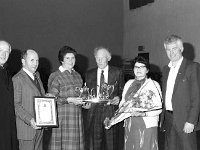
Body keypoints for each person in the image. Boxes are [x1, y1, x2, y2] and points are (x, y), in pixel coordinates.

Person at [160, 35, 200, 150]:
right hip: (168, 119)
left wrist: (191, 121)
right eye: (168, 49)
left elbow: (197, 97)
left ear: (181, 49)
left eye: (174, 49)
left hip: (185, 120)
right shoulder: (165, 69)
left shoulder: (192, 67)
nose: (171, 52)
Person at [116, 56, 162, 150]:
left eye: (142, 67)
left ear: (147, 70)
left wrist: (144, 113)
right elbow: (122, 103)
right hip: (130, 124)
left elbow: (159, 108)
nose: (139, 69)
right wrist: (117, 115)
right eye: (136, 67)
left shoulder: (154, 84)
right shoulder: (128, 83)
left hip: (147, 124)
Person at [84, 46, 124, 150]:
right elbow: (86, 94)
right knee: (95, 145)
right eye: (97, 57)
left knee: (112, 144)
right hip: (94, 112)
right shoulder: (89, 74)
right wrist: (85, 103)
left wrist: (118, 98)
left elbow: (122, 91)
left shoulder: (118, 72)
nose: (99, 60)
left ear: (109, 58)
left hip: (111, 112)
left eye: (102, 57)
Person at [47, 46, 84, 150]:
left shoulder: (78, 76)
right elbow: (51, 100)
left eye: (73, 58)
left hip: (76, 117)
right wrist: (68, 100)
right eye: (67, 58)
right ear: (61, 60)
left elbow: (81, 96)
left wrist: (85, 103)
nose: (71, 61)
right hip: (62, 118)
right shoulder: (55, 75)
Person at [13, 49, 45, 150]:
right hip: (27, 130)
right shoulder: (17, 79)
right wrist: (30, 120)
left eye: (37, 60)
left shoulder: (37, 76)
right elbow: (16, 105)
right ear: (23, 61)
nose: (35, 63)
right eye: (32, 60)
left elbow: (41, 97)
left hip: (40, 128)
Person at [0, 40, 19, 150]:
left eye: (6, 51)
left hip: (8, 125)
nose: (3, 54)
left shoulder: (7, 73)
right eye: (0, 50)